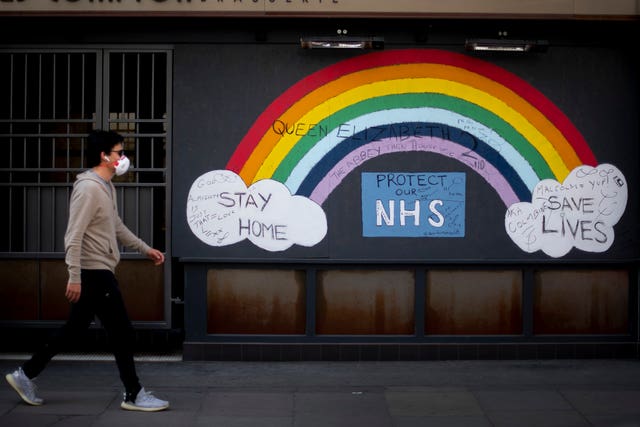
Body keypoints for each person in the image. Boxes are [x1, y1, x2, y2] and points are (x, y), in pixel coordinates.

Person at [5, 130, 169, 412]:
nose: (123, 158)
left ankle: (25, 374)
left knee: (74, 329)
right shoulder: (88, 188)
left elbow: (115, 225)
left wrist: (145, 249)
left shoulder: (106, 186)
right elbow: (73, 235)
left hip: (98, 270)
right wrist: (74, 276)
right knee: (121, 332)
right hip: (94, 272)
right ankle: (134, 393)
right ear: (104, 156)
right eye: (119, 152)